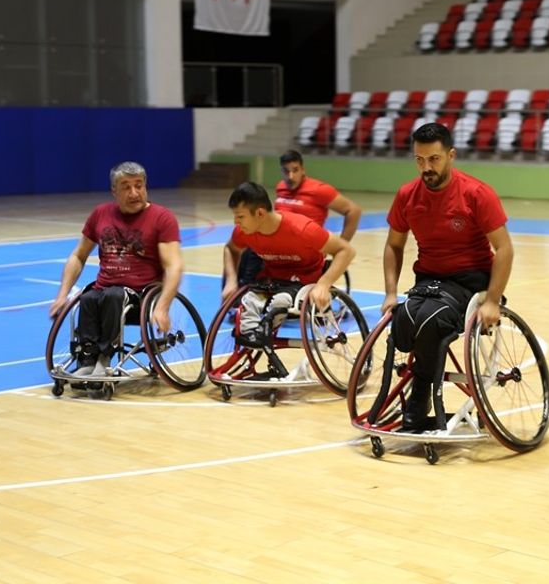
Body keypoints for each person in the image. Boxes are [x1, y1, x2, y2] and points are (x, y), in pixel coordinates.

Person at [381, 123, 514, 432]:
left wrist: (493, 300)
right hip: (429, 279)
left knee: (432, 320)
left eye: (434, 159)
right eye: (420, 160)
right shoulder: (406, 195)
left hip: (472, 280)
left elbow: (504, 248)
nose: (426, 167)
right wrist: (390, 293)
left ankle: (420, 395)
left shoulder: (476, 193)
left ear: (451, 156)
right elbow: (393, 245)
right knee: (405, 317)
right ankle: (417, 387)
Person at [48, 162, 183, 377]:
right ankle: (87, 359)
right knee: (88, 297)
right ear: (114, 191)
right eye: (126, 187)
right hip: (105, 290)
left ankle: (104, 358)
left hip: (141, 295)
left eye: (139, 185)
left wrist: (163, 307)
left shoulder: (162, 218)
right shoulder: (101, 214)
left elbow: (174, 266)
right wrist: (62, 295)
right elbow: (78, 256)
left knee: (114, 295)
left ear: (146, 186)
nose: (134, 193)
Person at [220, 182, 355, 378]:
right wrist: (231, 280)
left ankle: (263, 333)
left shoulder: (303, 229)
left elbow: (347, 250)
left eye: (240, 217)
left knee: (280, 303)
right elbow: (230, 249)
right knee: (249, 301)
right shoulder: (244, 233)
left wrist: (324, 284)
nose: (236, 222)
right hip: (273, 281)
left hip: (304, 283)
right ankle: (252, 338)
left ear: (259, 213)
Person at [232, 150, 362, 288]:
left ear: (303, 169)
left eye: (295, 170)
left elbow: (353, 211)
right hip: (279, 247)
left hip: (306, 248)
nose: (291, 176)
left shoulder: (319, 190)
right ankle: (239, 296)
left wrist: (339, 245)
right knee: (244, 251)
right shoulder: (281, 187)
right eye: (286, 171)